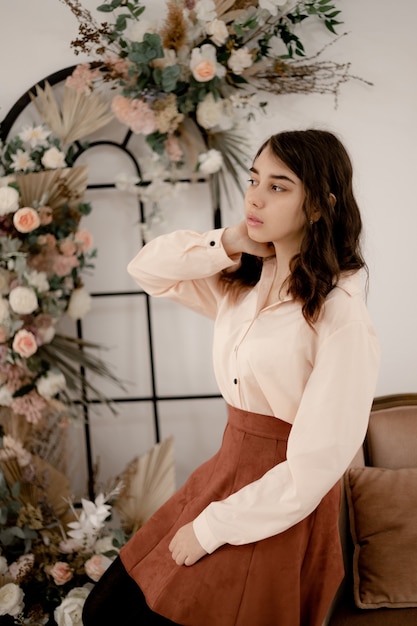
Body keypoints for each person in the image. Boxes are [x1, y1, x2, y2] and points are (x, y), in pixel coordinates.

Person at [82, 129, 380, 626]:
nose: (256, 197)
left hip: (280, 502)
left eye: (279, 186)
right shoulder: (240, 285)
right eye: (253, 180)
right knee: (105, 609)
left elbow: (315, 466)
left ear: (318, 206)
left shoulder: (340, 314)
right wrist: (230, 240)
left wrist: (213, 527)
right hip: (224, 471)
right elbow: (147, 269)